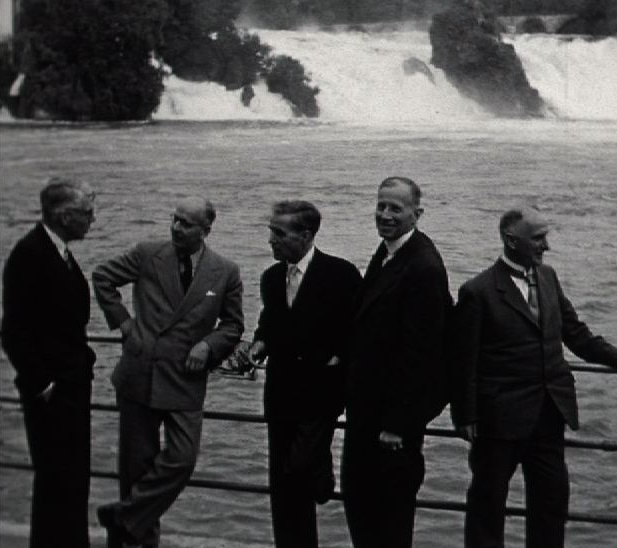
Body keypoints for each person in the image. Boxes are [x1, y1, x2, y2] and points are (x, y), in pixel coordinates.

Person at [450, 206, 617, 548]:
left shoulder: (548, 278)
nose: (547, 246)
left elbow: (574, 332)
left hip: (549, 415)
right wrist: (465, 416)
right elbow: (462, 361)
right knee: (487, 508)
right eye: (539, 238)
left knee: (551, 506)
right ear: (511, 241)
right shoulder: (478, 292)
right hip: (498, 421)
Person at [92, 196, 244, 548]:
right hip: (140, 373)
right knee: (136, 468)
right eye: (174, 219)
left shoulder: (225, 271)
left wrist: (208, 346)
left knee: (182, 459)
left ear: (206, 230)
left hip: (186, 378)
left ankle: (122, 517)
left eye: (186, 223)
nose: (176, 227)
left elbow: (233, 325)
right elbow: (102, 277)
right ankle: (134, 541)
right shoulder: (148, 254)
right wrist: (125, 325)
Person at [342, 176, 453, 548]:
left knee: (387, 520)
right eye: (380, 206)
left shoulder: (422, 267)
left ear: (417, 214)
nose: (385, 215)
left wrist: (398, 424)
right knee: (363, 509)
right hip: (369, 413)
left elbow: (422, 355)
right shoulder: (391, 252)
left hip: (390, 426)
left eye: (395, 208)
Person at [247, 200, 362, 548]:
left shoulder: (340, 274)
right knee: (282, 487)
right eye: (271, 231)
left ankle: (320, 473)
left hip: (320, 396)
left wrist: (338, 359)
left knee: (298, 472)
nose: (271, 240)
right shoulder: (271, 278)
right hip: (281, 393)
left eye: (279, 233)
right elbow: (270, 324)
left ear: (306, 235)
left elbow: (358, 329)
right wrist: (257, 345)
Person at [1, 177, 96, 548]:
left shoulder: (55, 251)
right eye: (87, 213)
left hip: (68, 386)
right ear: (63, 215)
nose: (93, 220)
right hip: (53, 393)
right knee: (58, 481)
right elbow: (14, 331)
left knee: (70, 481)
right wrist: (44, 384)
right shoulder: (31, 255)